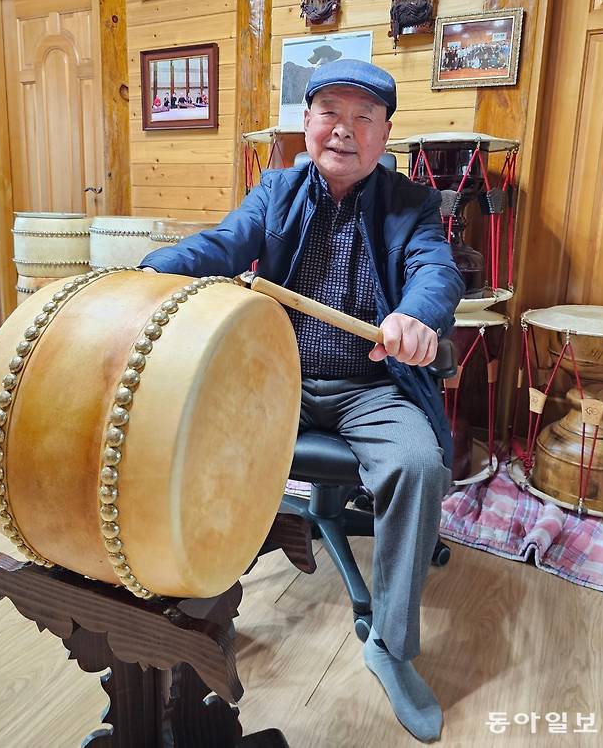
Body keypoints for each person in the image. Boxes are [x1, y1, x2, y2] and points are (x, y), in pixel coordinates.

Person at [139, 59, 464, 743]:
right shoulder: (277, 190)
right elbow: (223, 244)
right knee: (186, 433)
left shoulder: (410, 206)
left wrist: (415, 317)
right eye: (328, 114)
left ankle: (392, 646)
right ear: (307, 123)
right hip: (276, 378)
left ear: (385, 135)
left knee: (418, 464)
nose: (343, 131)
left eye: (362, 118)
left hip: (371, 388)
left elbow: (435, 274)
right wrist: (147, 271)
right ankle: (196, 596)